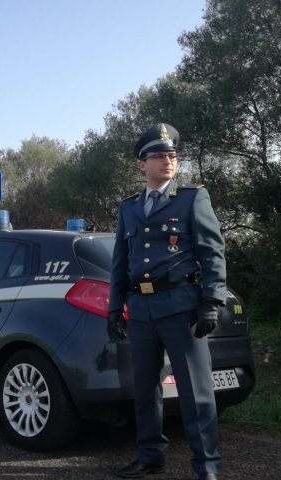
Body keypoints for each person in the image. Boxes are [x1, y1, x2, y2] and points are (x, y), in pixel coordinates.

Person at [108, 123, 226, 480]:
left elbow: (213, 252)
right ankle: (150, 457)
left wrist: (211, 300)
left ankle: (206, 467)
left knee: (196, 393)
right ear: (141, 165)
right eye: (159, 156)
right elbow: (120, 261)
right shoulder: (129, 208)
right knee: (144, 391)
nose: (168, 161)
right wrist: (115, 307)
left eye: (172, 155)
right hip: (141, 311)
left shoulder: (192, 198)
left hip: (181, 307)